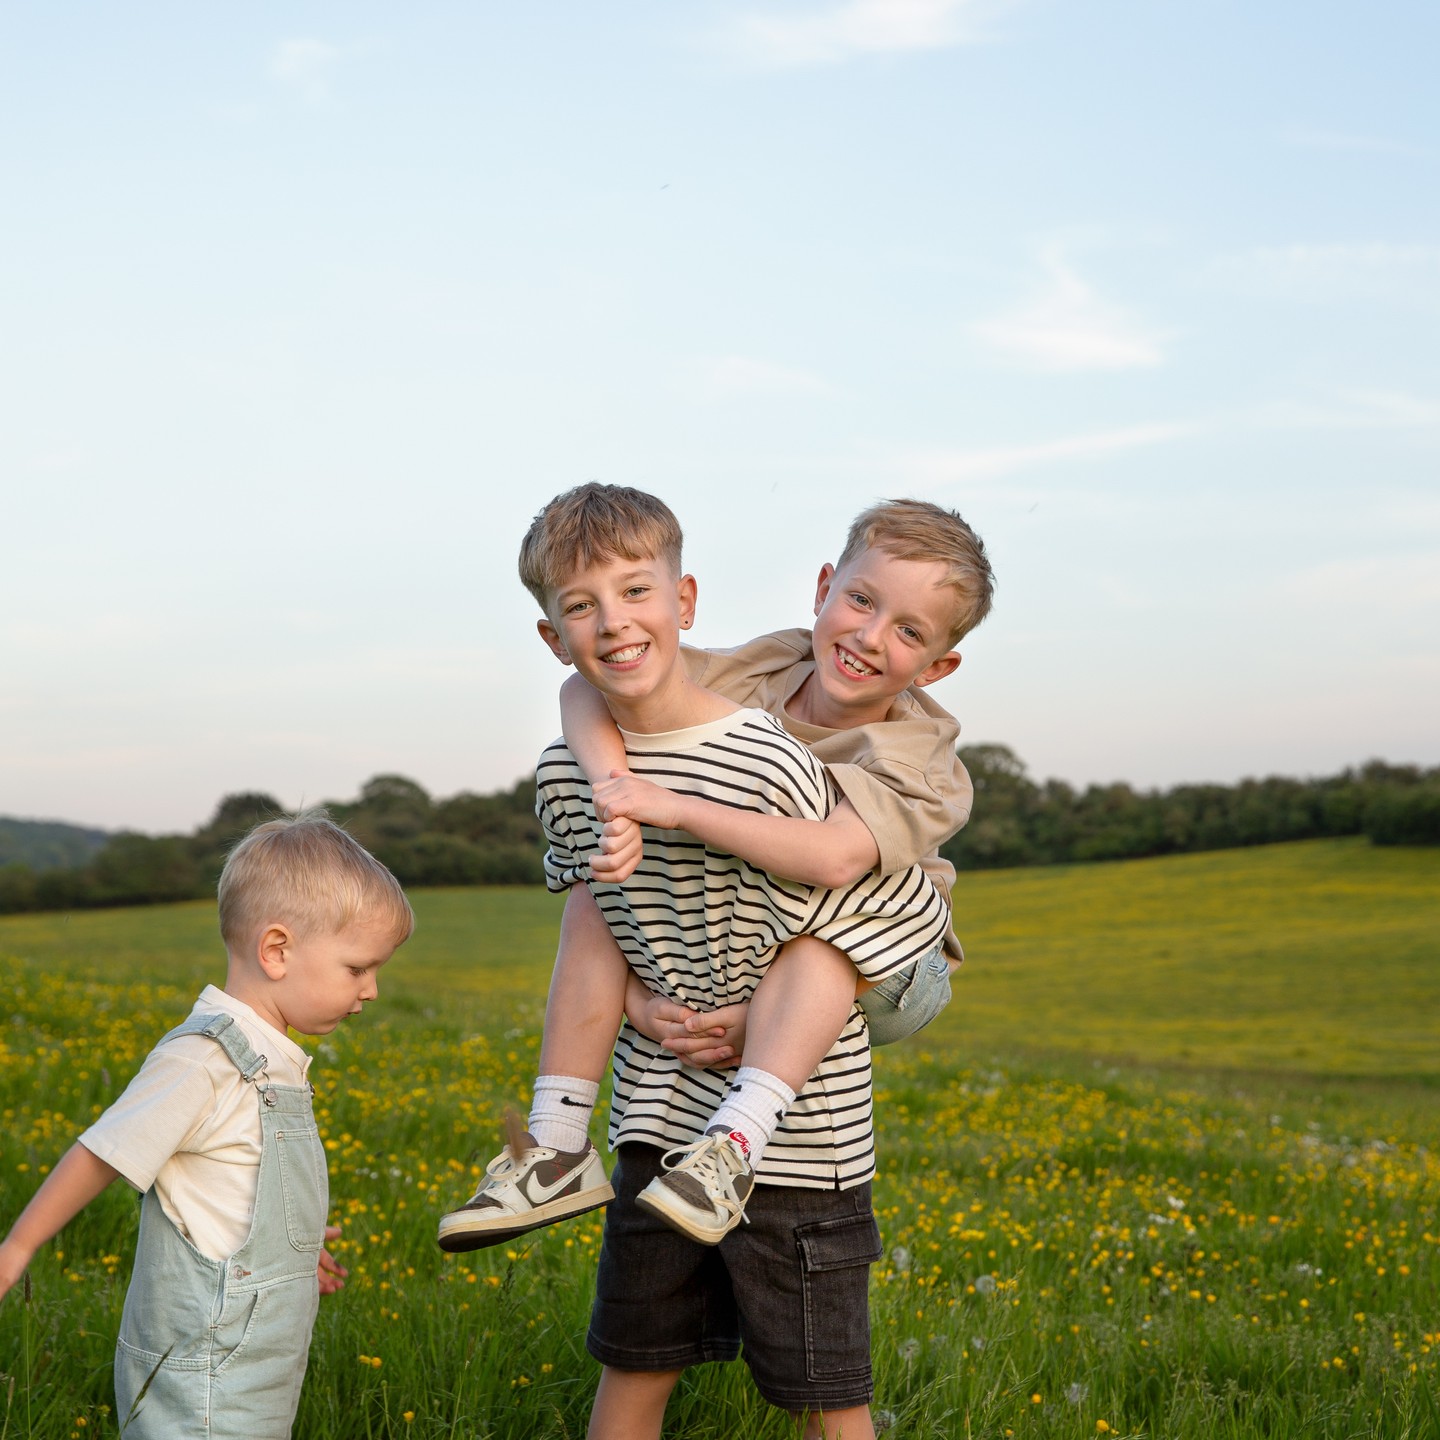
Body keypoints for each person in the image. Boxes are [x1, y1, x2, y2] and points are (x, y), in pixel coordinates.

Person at [472, 482, 952, 1439]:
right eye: (860, 602)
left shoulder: (922, 755)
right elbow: (593, 682)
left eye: (908, 632)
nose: (869, 638)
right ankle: (557, 1136)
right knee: (597, 894)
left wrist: (669, 807)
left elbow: (832, 862)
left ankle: (739, 1138)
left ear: (940, 662)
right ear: (824, 588)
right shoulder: (754, 670)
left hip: (895, 959)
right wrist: (615, 796)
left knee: (825, 924)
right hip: (745, 935)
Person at [0, 813, 414, 1440]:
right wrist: (19, 1247)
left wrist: (294, 1250)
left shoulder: (272, 1058)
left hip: (257, 1369)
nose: (372, 991)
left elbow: (233, 1184)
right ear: (277, 951)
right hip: (204, 1374)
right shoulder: (203, 1059)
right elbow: (104, 1151)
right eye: (358, 969)